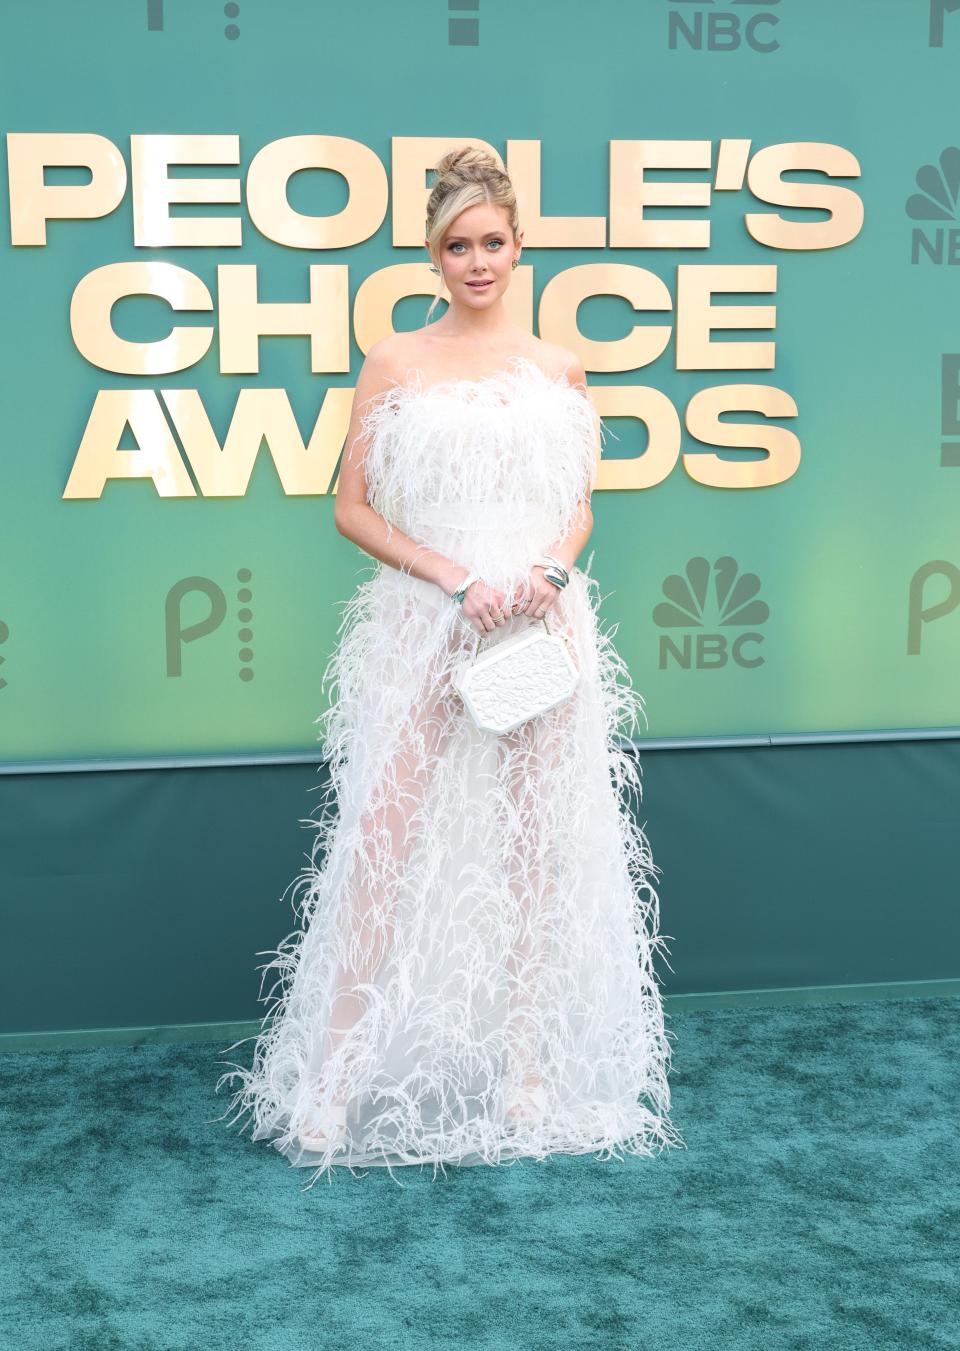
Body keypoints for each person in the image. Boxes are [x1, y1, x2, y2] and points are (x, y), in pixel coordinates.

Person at [215, 145, 684, 1187]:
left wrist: (551, 571)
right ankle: (334, 1077)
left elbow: (580, 499)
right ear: (433, 255)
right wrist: (453, 578)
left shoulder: (564, 366)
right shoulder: (393, 361)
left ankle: (526, 1071)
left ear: (519, 248)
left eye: (493, 242)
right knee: (388, 837)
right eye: (456, 245)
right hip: (427, 624)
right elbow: (350, 505)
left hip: (537, 626)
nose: (477, 261)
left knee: (533, 846)